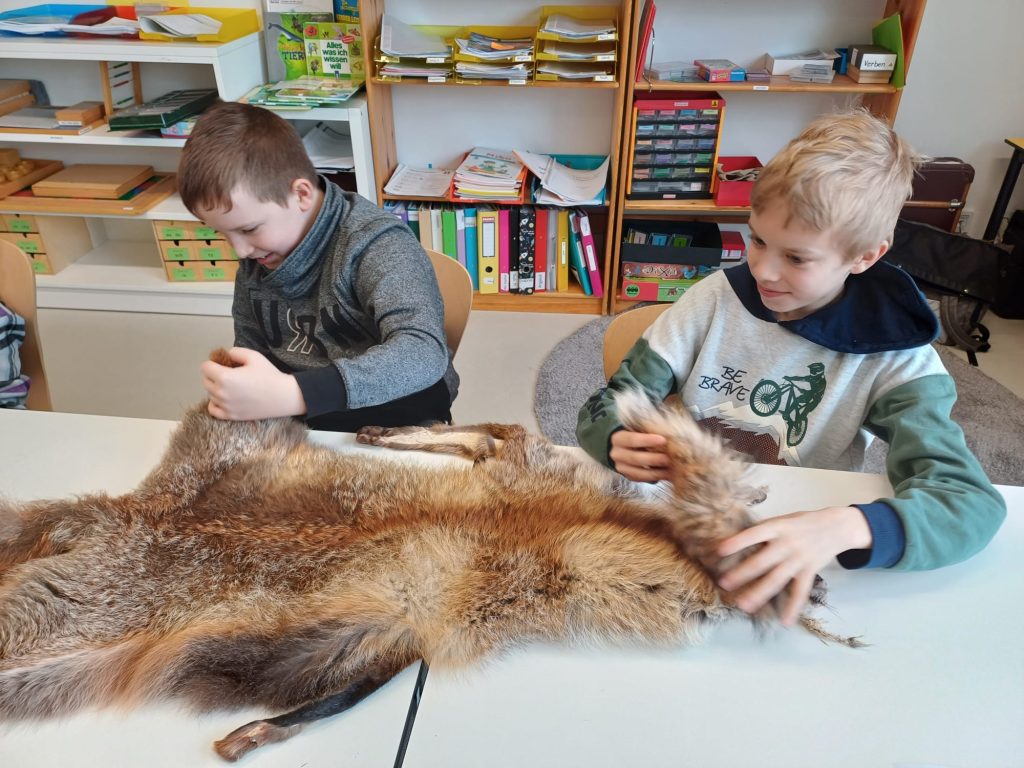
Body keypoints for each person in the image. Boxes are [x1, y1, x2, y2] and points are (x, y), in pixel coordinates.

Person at [577, 110, 1006, 625]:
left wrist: (848, 528)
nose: (762, 270)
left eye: (797, 258)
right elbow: (611, 402)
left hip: (794, 539)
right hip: (683, 528)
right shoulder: (715, 299)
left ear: (865, 256)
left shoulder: (896, 357)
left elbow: (968, 503)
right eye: (758, 240)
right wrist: (613, 435)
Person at [178, 101, 458, 432]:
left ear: (301, 194)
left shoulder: (377, 243)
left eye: (249, 229)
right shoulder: (257, 253)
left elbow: (422, 352)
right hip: (303, 408)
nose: (239, 249)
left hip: (396, 405)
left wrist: (294, 393)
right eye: (222, 233)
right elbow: (251, 346)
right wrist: (238, 383)